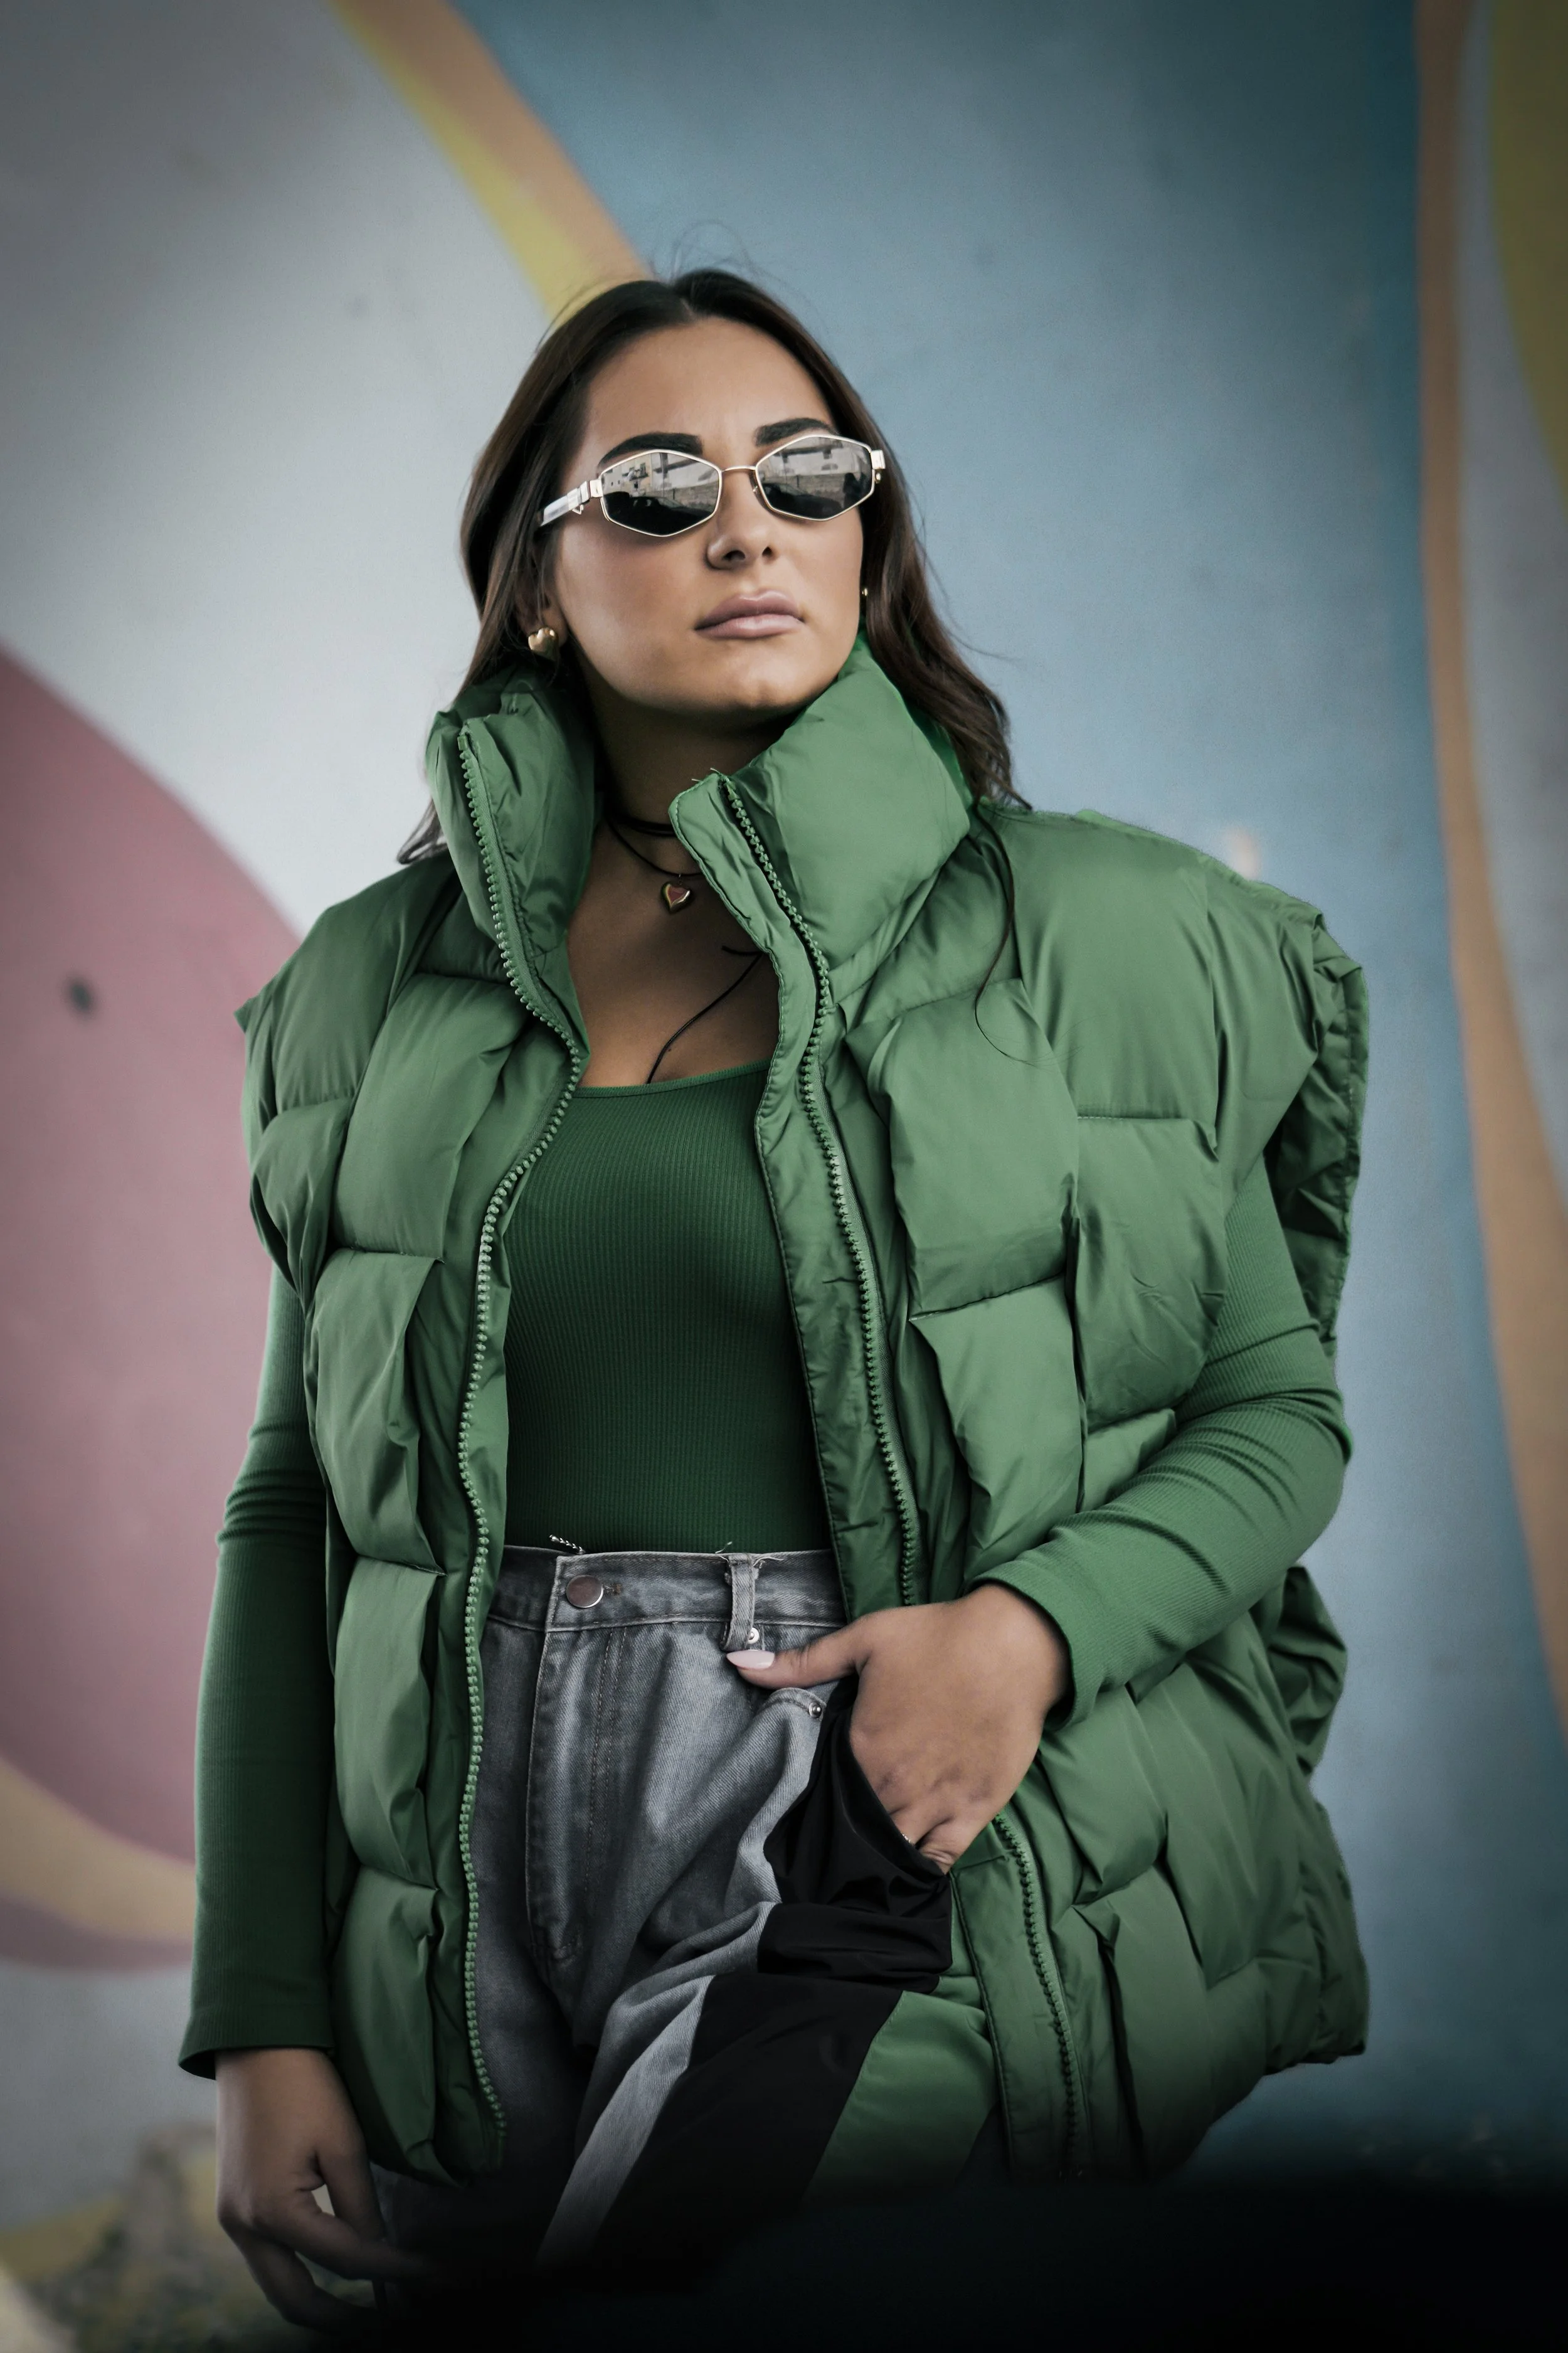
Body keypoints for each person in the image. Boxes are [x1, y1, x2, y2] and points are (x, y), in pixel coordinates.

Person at [183, 270, 1369, 2329]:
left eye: (806, 473)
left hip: (854, 1794)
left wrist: (1027, 1631)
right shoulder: (368, 991)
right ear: (537, 586)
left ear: (860, 535)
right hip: (449, 1842)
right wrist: (264, 2013)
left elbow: (1272, 1415)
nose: (748, 526)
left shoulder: (1108, 936)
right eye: (660, 487)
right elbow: (299, 1505)